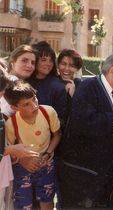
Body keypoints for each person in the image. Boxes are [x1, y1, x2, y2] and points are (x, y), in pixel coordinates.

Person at [59, 53, 113, 208]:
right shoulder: (88, 87)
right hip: (82, 173)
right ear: (112, 71)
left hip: (104, 173)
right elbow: (82, 122)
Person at [4, 80, 61, 210]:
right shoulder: (11, 124)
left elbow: (57, 135)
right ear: (15, 107)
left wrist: (47, 153)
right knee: (23, 204)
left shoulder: (48, 112)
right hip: (22, 168)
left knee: (47, 200)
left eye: (34, 99)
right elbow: (9, 151)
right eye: (26, 104)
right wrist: (22, 161)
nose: (34, 105)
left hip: (46, 164)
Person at [28, 41, 68, 126]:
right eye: (43, 60)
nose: (48, 64)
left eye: (51, 60)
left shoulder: (58, 86)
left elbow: (61, 118)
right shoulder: (24, 81)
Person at [1, 45, 37, 117]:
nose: (29, 65)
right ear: (12, 62)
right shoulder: (12, 82)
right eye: (24, 60)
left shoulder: (8, 80)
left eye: (33, 62)